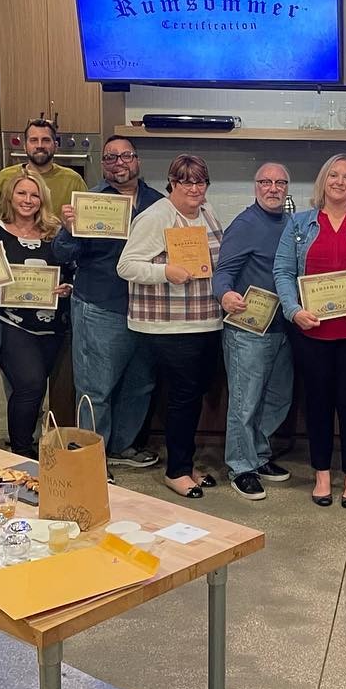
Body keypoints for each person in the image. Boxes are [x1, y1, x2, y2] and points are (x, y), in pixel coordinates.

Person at [274, 154, 346, 509]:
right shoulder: (298, 224)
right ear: (323, 180)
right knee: (318, 404)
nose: (340, 182)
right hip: (311, 332)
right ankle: (322, 474)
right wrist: (293, 310)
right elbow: (283, 271)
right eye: (334, 175)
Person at [117, 154, 224, 499]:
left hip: (205, 320)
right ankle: (176, 471)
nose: (194, 188)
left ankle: (187, 464)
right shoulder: (156, 217)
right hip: (171, 325)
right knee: (183, 397)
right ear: (172, 184)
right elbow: (127, 266)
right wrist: (165, 272)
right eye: (185, 182)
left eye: (200, 181)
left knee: (194, 395)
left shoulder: (206, 212)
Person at [55, 136, 165, 467]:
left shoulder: (159, 204)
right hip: (100, 306)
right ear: (103, 165)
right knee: (96, 389)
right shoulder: (89, 202)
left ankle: (121, 447)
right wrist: (69, 229)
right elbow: (62, 254)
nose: (119, 163)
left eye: (126, 156)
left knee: (140, 384)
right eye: (110, 158)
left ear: (137, 160)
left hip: (147, 309)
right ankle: (90, 459)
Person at [213, 162, 295, 501]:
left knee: (277, 398)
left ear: (287, 188)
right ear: (255, 186)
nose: (273, 188)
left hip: (284, 326)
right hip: (249, 328)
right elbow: (223, 272)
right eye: (265, 182)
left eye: (279, 182)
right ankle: (240, 467)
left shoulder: (291, 224)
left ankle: (259, 455)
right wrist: (225, 295)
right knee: (244, 402)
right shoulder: (245, 224)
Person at [0, 169, 74, 458]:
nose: (28, 200)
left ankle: (34, 441)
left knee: (40, 389)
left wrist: (69, 287)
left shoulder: (56, 232)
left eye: (34, 195)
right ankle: (21, 449)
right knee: (30, 383)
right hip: (11, 322)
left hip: (54, 324)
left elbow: (73, 268)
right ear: (9, 196)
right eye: (21, 193)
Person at [0, 119, 86, 220]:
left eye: (46, 140)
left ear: (55, 146)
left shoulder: (73, 181)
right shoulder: (4, 177)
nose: (40, 145)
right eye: (34, 140)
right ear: (25, 146)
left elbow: (85, 220)